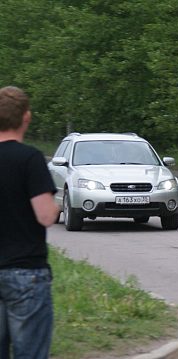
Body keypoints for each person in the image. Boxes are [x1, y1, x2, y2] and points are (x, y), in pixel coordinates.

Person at [0, 86, 59, 358]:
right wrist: (57, 205)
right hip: (25, 274)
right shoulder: (30, 159)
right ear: (26, 117)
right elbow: (45, 216)